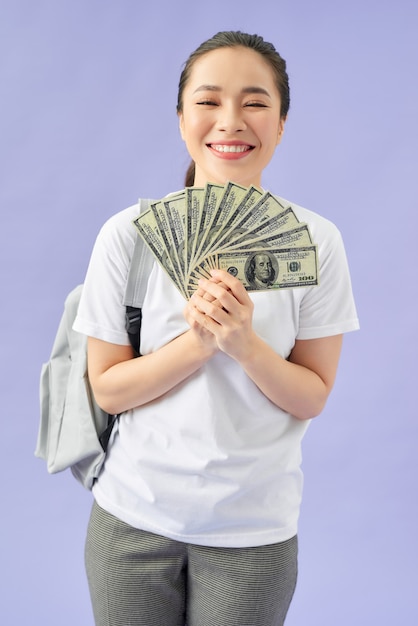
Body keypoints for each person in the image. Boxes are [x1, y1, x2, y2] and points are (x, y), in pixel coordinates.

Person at [73, 30, 359, 626]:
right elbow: (108, 388)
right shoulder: (128, 235)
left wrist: (245, 346)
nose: (231, 121)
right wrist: (199, 343)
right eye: (208, 102)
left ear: (281, 124)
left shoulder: (316, 241)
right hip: (132, 518)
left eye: (255, 103)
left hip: (255, 531)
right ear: (182, 119)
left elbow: (311, 396)